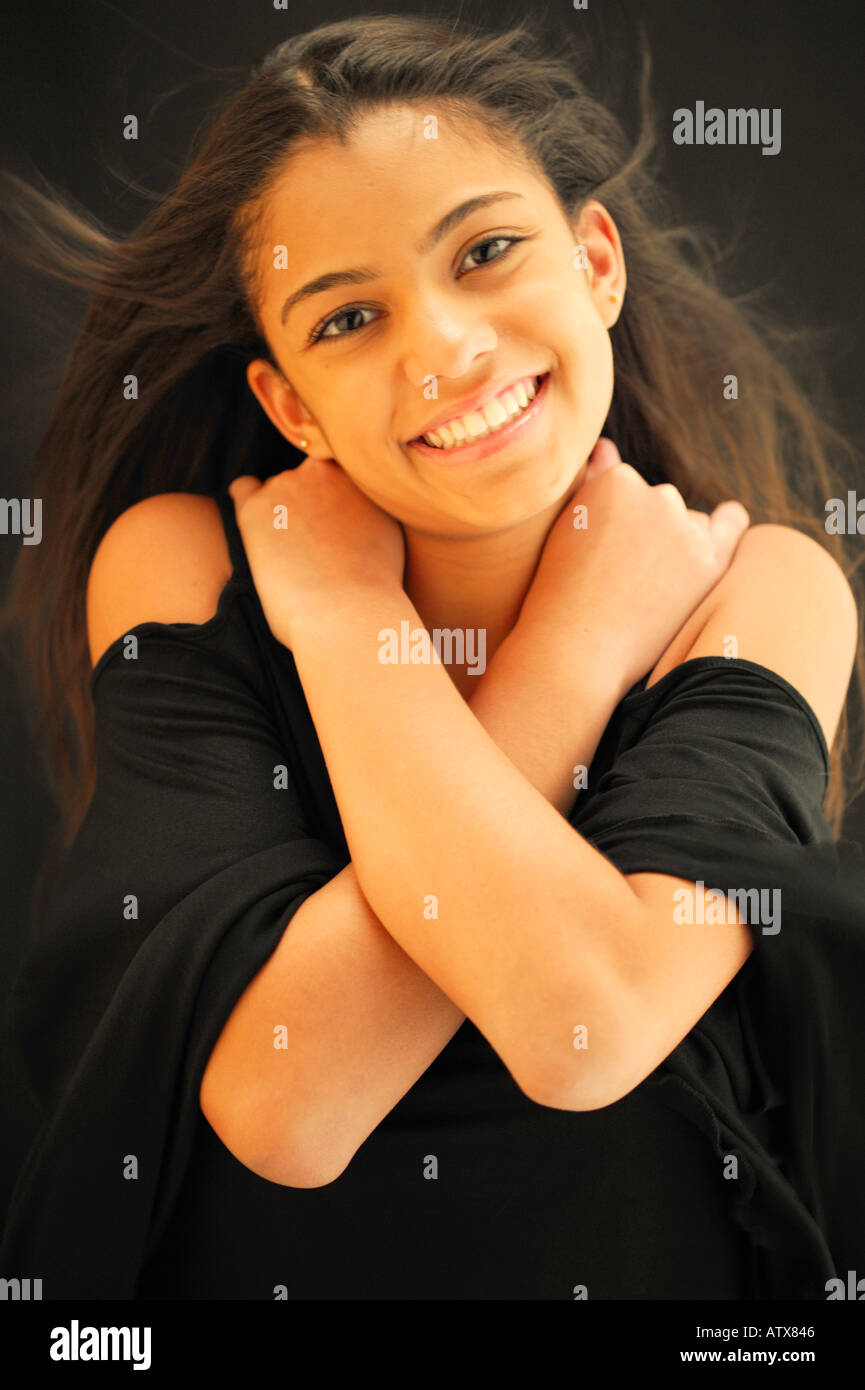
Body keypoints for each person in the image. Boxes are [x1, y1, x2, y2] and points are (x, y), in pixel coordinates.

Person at [1, 13, 864, 1301]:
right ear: (290, 402)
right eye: (347, 318)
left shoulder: (766, 588)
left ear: (597, 261)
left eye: (490, 250)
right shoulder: (186, 565)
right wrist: (357, 622)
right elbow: (287, 1101)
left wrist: (527, 641)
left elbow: (585, 1028)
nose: (445, 347)